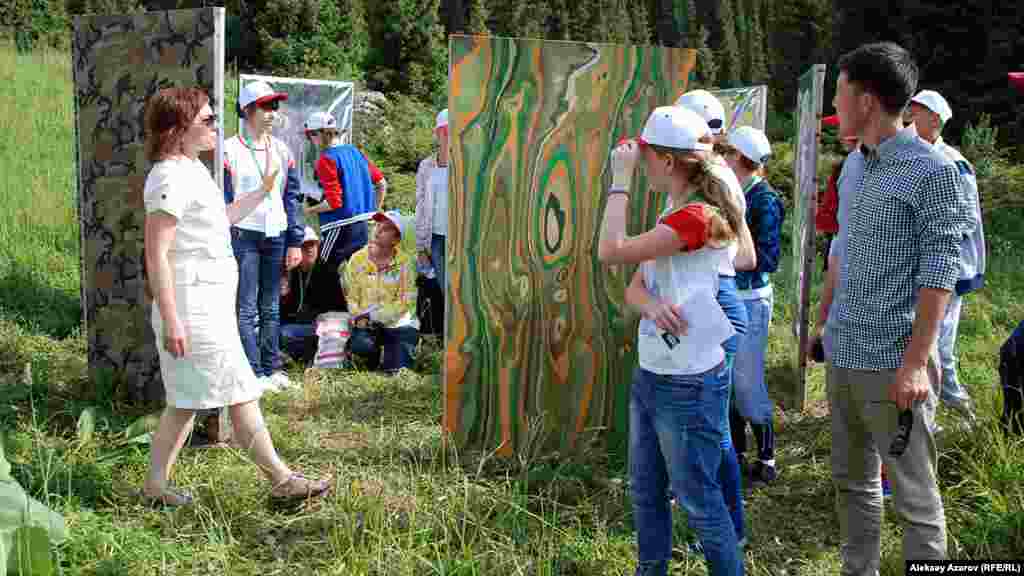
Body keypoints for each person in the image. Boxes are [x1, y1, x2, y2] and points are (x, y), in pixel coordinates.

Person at [141, 86, 330, 507]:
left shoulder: (191, 168)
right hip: (192, 310)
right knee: (240, 391)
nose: (216, 125)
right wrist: (172, 320)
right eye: (207, 120)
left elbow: (219, 219)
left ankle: (155, 487)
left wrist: (263, 191)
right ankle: (281, 480)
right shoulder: (169, 176)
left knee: (185, 402)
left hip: (205, 307)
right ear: (178, 128)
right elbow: (157, 255)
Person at [824, 42, 971, 572]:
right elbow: (841, 251)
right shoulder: (852, 167)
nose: (834, 105)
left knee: (913, 498)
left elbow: (941, 273)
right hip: (843, 352)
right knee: (852, 483)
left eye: (840, 93)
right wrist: (823, 323)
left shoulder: (934, 170)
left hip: (893, 364)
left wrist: (915, 363)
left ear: (865, 100)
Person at [598, 105, 744, 576]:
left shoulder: (696, 218)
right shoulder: (674, 212)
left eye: (644, 156)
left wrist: (619, 181)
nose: (639, 163)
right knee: (646, 493)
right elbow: (634, 288)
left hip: (688, 384)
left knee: (700, 503)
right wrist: (651, 305)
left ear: (665, 160)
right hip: (654, 373)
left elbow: (610, 250)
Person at [675, 89, 753, 546]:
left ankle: (727, 530)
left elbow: (744, 256)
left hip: (715, 300)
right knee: (708, 426)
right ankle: (720, 524)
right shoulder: (717, 173)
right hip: (713, 300)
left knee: (712, 430)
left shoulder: (716, 178)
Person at [908, 89, 985, 425]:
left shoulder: (954, 162)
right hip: (924, 266)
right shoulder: (918, 155)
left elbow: (967, 218)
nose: (910, 117)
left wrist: (927, 229)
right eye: (911, 110)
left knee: (937, 345)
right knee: (927, 342)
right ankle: (936, 412)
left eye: (918, 111)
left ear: (935, 119)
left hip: (950, 268)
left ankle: (957, 412)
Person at [222, 80, 305, 391]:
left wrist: (295, 241)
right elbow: (224, 199)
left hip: (276, 235)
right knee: (246, 307)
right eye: (266, 106)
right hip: (243, 235)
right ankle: (253, 372)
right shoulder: (228, 150)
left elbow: (292, 198)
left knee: (271, 306)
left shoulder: (282, 149)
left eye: (275, 106)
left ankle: (272, 368)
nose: (273, 112)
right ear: (247, 110)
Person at [722, 126, 784, 485]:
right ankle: (737, 451)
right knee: (730, 379)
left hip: (752, 299)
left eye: (727, 154)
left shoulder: (764, 200)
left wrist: (723, 258)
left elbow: (768, 259)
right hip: (731, 295)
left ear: (739, 159)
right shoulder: (733, 192)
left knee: (747, 381)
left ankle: (767, 456)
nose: (723, 159)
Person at [303, 110, 388, 312]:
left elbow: (334, 202)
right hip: (362, 225)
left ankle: (324, 315)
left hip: (339, 226)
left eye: (310, 135)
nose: (311, 140)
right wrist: (374, 212)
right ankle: (360, 314)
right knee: (357, 273)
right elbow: (382, 183)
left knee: (323, 270)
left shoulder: (326, 159)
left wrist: (309, 209)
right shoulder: (355, 152)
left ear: (318, 134)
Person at [339, 210, 420, 374]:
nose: (378, 229)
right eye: (377, 225)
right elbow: (351, 296)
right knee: (361, 348)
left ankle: (396, 356)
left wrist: (375, 316)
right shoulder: (357, 259)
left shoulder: (406, 263)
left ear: (396, 239)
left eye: (386, 228)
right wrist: (359, 317)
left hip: (399, 324)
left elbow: (405, 302)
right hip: (365, 323)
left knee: (397, 370)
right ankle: (370, 354)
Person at [276, 226, 323, 370]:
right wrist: (283, 295)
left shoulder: (326, 271)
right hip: (293, 325)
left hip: (319, 327)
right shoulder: (287, 272)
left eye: (312, 245)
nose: (309, 250)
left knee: (285, 334)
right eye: (304, 246)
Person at [415, 109, 450, 297]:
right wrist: (421, 248)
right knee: (446, 292)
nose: (446, 135)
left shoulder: (467, 166)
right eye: (443, 131)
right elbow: (420, 206)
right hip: (435, 239)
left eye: (450, 130)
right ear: (437, 133)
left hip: (460, 240)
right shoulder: (426, 166)